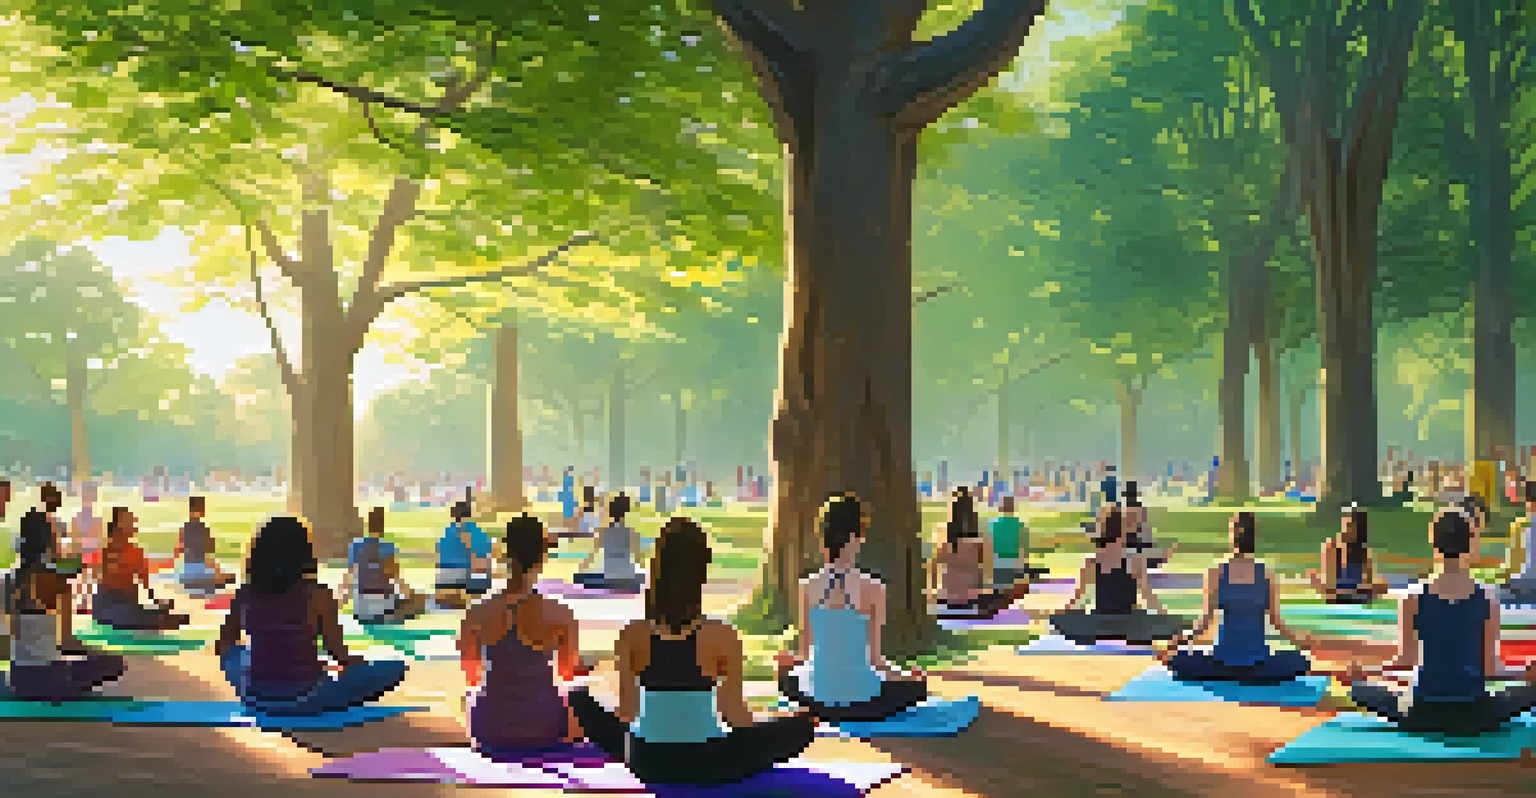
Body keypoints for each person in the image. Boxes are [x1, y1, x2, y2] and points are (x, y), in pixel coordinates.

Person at [568, 517, 815, 785]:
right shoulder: (722, 635)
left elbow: (627, 714)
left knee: (578, 697)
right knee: (801, 726)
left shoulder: (632, 634)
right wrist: (771, 725)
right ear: (702, 572)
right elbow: (734, 715)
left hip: (647, 761)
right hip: (709, 761)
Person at [1343, 507, 1536, 734]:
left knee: (1359, 690)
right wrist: (1524, 673)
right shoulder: (1487, 598)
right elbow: (1491, 669)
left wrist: (1366, 672)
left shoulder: (1412, 597)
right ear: (1471, 545)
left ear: (1434, 544)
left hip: (1422, 711)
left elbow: (1405, 660)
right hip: (1475, 713)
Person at [215, 516, 407, 716]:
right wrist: (358, 668)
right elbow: (339, 654)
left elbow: (224, 646)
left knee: (235, 655)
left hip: (255, 698)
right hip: (307, 698)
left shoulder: (245, 593)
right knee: (393, 667)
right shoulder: (318, 594)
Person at [777, 492, 928, 722]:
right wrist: (908, 677)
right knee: (916, 689)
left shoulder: (806, 586)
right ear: (856, 536)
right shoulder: (875, 588)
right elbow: (876, 660)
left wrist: (788, 663)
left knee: (786, 680)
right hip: (861, 697)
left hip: (817, 695)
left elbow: (806, 654)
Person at [461, 514, 588, 760]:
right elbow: (567, 673)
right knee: (582, 698)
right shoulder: (560, 613)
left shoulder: (477, 612)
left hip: (490, 729)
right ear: (541, 559)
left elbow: (471, 674)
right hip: (546, 727)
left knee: (469, 695)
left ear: (505, 554)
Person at [1162, 512, 1314, 683]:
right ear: (1254, 537)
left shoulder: (1216, 572)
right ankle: (1250, 675)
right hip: (1257, 663)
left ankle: (1229, 674)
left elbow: (1204, 622)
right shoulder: (1266, 573)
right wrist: (1300, 641)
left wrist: (1182, 638)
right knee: (1301, 662)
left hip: (1223, 662)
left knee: (1178, 659)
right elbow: (1275, 621)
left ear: (1231, 537)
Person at [3, 510, 126, 700]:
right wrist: (102, 651)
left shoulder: (8, 580)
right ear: (50, 542)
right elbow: (68, 643)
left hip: (18, 679)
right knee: (114, 663)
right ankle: (66, 686)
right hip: (50, 677)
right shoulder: (59, 582)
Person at [1050, 505, 1187, 645]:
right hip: (1129, 624)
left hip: (1100, 623)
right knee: (1169, 623)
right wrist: (1166, 618)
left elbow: (1077, 599)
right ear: (1123, 531)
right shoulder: (1134, 560)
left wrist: (1060, 615)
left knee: (1061, 621)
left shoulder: (1092, 561)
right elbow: (1148, 596)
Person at [930, 490, 1029, 616]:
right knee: (1016, 589)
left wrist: (935, 593)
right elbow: (989, 575)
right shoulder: (980, 544)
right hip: (972, 599)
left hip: (947, 598)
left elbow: (933, 571)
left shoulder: (942, 541)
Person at [92, 507, 189, 631]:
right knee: (141, 616)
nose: (133, 524)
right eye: (129, 521)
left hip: (121, 608)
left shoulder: (132, 551)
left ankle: (159, 618)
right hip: (111, 607)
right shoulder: (108, 550)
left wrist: (159, 603)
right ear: (118, 526)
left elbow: (146, 586)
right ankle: (161, 619)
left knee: (142, 614)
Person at [342, 507, 425, 624]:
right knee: (418, 601)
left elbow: (349, 576)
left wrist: (344, 598)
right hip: (385, 604)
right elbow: (397, 579)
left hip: (361, 607)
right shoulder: (388, 547)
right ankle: (388, 617)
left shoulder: (355, 546)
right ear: (383, 526)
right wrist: (413, 594)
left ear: (368, 525)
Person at [1307, 507, 1388, 604]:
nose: (1346, 530)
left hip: (1357, 593)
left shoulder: (1364, 551)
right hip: (1337, 594)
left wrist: (1371, 588)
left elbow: (1368, 582)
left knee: (1382, 585)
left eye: (1350, 526)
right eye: (1345, 525)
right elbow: (1330, 584)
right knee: (1320, 582)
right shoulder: (1332, 547)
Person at [576, 493, 644, 592]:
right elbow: (638, 557)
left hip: (609, 576)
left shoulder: (604, 532)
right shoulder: (632, 533)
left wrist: (580, 571)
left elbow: (591, 556)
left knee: (584, 578)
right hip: (627, 578)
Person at [174, 496, 235, 596]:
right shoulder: (203, 529)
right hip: (201, 571)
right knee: (226, 577)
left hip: (188, 573)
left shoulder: (184, 529)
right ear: (201, 509)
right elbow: (209, 553)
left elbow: (178, 551)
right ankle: (210, 582)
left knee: (220, 575)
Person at [436, 501, 492, 610]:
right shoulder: (478, 532)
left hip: (446, 581)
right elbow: (485, 559)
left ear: (453, 515)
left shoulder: (447, 532)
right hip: (471, 582)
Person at [1499, 480, 1536, 605]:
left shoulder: (1522, 526)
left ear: (1527, 501)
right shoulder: (1522, 526)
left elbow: (1512, 570)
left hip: (1527, 588)